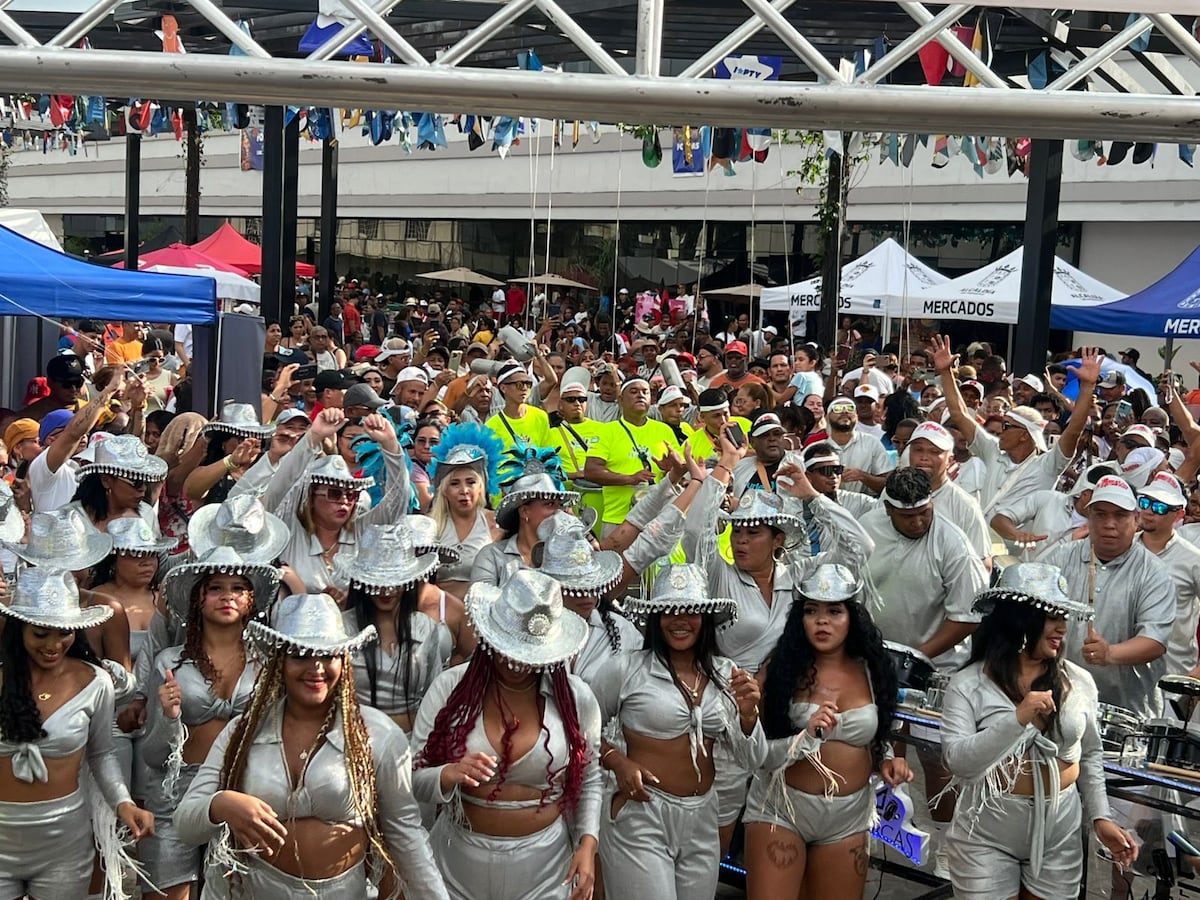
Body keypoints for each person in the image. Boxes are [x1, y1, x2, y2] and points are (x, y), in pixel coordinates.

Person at [173, 592, 449, 899]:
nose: (316, 668)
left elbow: (406, 833)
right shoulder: (242, 732)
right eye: (301, 654)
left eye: (328, 655)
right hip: (249, 890)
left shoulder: (377, 735)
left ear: (344, 661)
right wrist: (221, 804)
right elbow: (185, 823)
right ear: (279, 660)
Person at [682, 434, 875, 852]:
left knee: (773, 817)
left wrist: (812, 496)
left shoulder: (800, 578)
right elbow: (694, 533)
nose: (740, 540)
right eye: (737, 531)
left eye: (754, 532)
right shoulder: (721, 576)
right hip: (732, 714)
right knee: (718, 824)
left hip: (786, 713)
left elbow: (860, 548)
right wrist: (723, 470)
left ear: (779, 539)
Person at [941, 562, 1137, 897]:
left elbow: (1089, 755)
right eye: (1050, 616)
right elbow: (958, 762)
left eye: (1063, 617)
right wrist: (1017, 719)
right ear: (1017, 619)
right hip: (985, 831)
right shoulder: (968, 684)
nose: (1061, 628)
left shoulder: (1078, 681)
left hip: (1059, 833)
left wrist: (1101, 816)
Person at [412, 569, 600, 900]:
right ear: (488, 636)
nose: (517, 664)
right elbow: (413, 777)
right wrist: (448, 774)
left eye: (529, 655)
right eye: (507, 648)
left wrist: (588, 844)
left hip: (547, 867)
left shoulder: (575, 697)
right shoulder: (451, 688)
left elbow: (590, 778)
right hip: (457, 864)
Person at [592, 563, 766, 900]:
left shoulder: (726, 674)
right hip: (642, 814)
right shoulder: (627, 669)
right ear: (656, 618)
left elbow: (753, 758)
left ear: (706, 619)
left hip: (703, 819)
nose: (680, 620)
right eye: (670, 611)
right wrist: (618, 762)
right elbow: (581, 729)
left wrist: (748, 715)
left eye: (691, 611)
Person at [744, 564, 911, 900]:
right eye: (811, 611)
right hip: (782, 808)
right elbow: (756, 755)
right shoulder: (779, 671)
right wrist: (805, 736)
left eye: (834, 611)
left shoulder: (874, 670)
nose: (822, 621)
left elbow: (876, 739)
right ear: (799, 619)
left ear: (853, 617)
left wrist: (888, 761)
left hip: (848, 818)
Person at [0, 566, 154, 900]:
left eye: (64, 633)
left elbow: (101, 754)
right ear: (18, 629)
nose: (54, 645)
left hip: (64, 841)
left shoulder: (95, 681)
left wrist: (123, 804)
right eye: (41, 634)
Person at [139, 547, 279, 900]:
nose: (227, 596)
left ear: (251, 600)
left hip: (244, 790)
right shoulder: (170, 663)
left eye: (237, 588)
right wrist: (170, 719)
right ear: (197, 599)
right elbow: (153, 757)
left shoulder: (271, 661)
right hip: (174, 793)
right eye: (215, 588)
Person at [1041, 474, 1174, 720]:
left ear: (1136, 520)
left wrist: (1110, 653)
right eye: (1100, 514)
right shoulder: (1058, 558)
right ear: (1089, 518)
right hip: (1055, 698)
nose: (1109, 524)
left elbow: (1155, 641)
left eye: (1120, 515)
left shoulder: (1154, 573)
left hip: (1123, 711)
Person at [933, 337, 1098, 516]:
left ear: (1025, 435)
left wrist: (1088, 387)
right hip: (985, 543)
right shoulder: (992, 451)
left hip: (1024, 543)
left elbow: (1074, 429)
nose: (1000, 432)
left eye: (1007, 426)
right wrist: (945, 372)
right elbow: (959, 414)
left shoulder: (1048, 465)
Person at [255, 408, 410, 597]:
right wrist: (314, 437)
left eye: (352, 495)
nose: (345, 501)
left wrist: (390, 444)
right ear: (311, 497)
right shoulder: (289, 529)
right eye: (335, 493)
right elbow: (279, 488)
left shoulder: (364, 530)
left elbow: (398, 501)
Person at [861, 467, 986, 669]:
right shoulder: (867, 527)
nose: (918, 523)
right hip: (872, 659)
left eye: (924, 512)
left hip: (935, 666)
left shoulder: (955, 546)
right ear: (888, 508)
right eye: (907, 516)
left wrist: (912, 659)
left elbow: (967, 618)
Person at [583, 375, 680, 538]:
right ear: (620, 399)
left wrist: (671, 469)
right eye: (633, 391)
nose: (640, 395)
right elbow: (591, 471)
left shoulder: (664, 430)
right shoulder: (607, 431)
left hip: (658, 519)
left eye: (645, 392)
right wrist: (630, 479)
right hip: (619, 519)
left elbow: (680, 475)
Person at [471, 446, 580, 585]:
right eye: (550, 504)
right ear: (524, 511)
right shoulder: (492, 556)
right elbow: (479, 601)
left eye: (560, 505)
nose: (557, 512)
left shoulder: (569, 554)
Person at [427, 422, 506, 598]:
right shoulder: (430, 526)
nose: (464, 490)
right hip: (438, 614)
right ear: (445, 491)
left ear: (481, 487)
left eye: (471, 482)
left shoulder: (498, 524)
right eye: (455, 483)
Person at [1135, 473, 1200, 679]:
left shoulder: (1193, 559)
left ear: (1179, 515)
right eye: (1145, 502)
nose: (1148, 511)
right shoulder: (1123, 549)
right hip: (1122, 673)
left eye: (1160, 507)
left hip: (1173, 675)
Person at [824, 396, 893, 495]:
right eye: (837, 409)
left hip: (866, 506)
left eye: (850, 408)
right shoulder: (818, 448)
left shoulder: (872, 443)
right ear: (827, 417)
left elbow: (889, 485)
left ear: (856, 416)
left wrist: (862, 476)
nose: (844, 412)